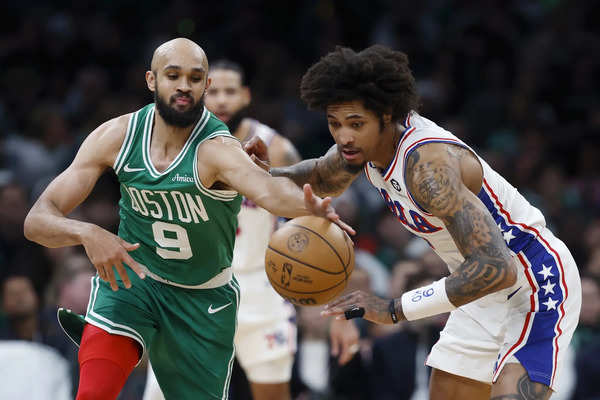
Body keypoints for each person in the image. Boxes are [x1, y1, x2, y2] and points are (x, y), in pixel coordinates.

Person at [23, 38, 352, 400]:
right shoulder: (116, 136)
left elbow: (270, 191)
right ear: (151, 80)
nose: (184, 85)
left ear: (205, 86)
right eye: (173, 75)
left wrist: (309, 206)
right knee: (94, 392)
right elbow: (37, 220)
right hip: (136, 282)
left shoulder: (217, 149)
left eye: (195, 78)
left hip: (203, 298)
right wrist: (87, 233)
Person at [246, 45, 582, 399]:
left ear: (386, 114)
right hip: (479, 289)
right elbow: (324, 174)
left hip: (533, 283)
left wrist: (393, 309)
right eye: (335, 124)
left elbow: (497, 268)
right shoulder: (363, 147)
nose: (344, 136)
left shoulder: (427, 169)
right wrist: (266, 173)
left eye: (356, 124)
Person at [143, 59, 359, 400]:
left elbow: (317, 229)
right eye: (214, 92)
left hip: (262, 288)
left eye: (231, 92)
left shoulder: (276, 148)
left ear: (245, 96)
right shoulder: (174, 147)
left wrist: (341, 313)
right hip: (192, 290)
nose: (222, 100)